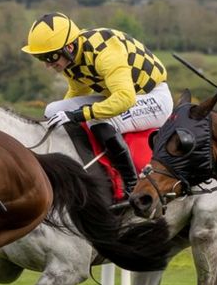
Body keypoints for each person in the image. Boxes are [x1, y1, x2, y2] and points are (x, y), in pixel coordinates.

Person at [21, 12, 172, 195]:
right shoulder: (71, 59)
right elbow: (78, 92)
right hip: (122, 95)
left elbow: (125, 98)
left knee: (98, 119)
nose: (47, 64)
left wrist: (79, 115)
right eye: (41, 58)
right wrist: (64, 116)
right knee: (53, 109)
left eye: (50, 57)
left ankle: (130, 184)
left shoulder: (105, 53)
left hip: (154, 98)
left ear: (69, 47)